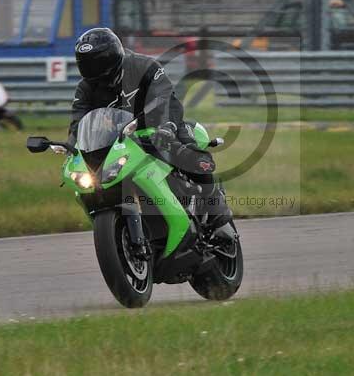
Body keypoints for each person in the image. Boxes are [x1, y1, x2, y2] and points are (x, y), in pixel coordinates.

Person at [66, 27, 233, 233]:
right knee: (97, 179)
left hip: (162, 123)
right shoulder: (86, 88)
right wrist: (72, 145)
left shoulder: (143, 66)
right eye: (86, 64)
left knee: (189, 155)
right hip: (122, 137)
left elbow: (164, 97)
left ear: (111, 56)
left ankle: (215, 206)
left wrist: (166, 127)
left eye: (97, 62)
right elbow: (78, 119)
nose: (92, 69)